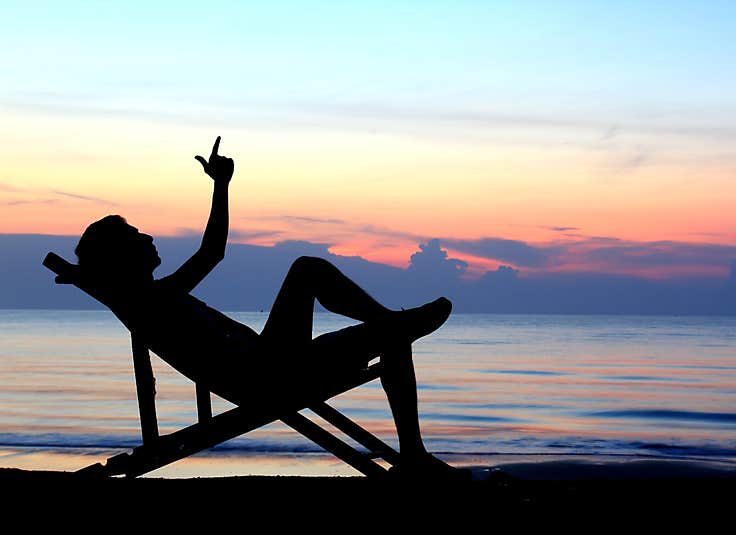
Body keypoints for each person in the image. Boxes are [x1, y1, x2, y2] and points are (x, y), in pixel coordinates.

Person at [73, 137, 452, 469]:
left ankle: (411, 436)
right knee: (311, 273)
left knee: (386, 329)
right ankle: (412, 445)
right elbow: (211, 253)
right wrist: (221, 186)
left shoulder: (152, 298)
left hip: (270, 364)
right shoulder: (152, 300)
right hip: (270, 374)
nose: (149, 237)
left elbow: (203, 256)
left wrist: (91, 278)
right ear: (120, 257)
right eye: (136, 237)